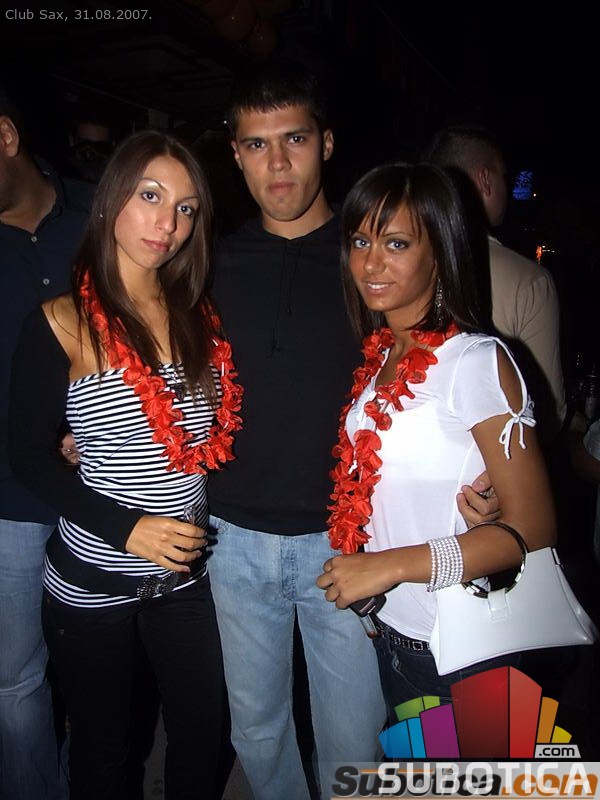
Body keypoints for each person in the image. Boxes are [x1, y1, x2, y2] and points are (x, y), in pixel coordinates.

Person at [206, 60, 498, 800]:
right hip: (231, 537)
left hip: (348, 543)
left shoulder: (368, 257)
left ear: (327, 143)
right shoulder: (210, 260)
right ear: (235, 154)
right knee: (256, 730)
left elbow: (436, 368)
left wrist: (479, 473)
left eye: (295, 139)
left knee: (355, 738)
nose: (277, 162)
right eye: (256, 144)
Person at [9, 130, 242, 800]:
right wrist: (128, 527)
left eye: (186, 208)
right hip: (92, 581)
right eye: (151, 196)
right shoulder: (61, 321)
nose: (168, 223)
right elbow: (27, 457)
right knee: (106, 751)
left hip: (183, 574)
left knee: (202, 733)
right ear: (111, 201)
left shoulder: (199, 315)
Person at [316, 162, 557, 722]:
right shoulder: (384, 353)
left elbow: (536, 528)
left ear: (440, 253)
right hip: (395, 634)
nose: (370, 263)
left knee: (464, 766)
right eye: (360, 242)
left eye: (396, 243)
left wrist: (390, 566)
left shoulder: (475, 361)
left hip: (460, 649)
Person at [0, 85, 93, 800]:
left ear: (5, 136)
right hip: (8, 499)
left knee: (106, 676)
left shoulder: (107, 214)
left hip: (113, 491)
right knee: (15, 679)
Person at [423, 124, 566, 442]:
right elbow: (546, 414)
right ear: (485, 179)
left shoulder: (396, 267)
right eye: (504, 176)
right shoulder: (530, 282)